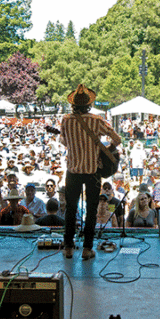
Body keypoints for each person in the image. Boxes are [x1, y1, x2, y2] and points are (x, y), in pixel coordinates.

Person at [60, 84, 122, 260]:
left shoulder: (66, 120)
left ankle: (68, 248)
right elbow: (116, 139)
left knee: (71, 210)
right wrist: (105, 150)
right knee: (91, 209)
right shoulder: (96, 120)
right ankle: (87, 248)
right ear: (89, 104)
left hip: (72, 171)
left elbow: (65, 142)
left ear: (73, 104)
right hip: (92, 171)